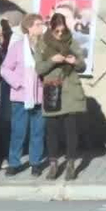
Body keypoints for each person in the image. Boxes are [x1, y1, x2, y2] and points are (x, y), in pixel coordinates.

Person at [38, 12, 88, 180]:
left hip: (70, 89)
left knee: (71, 130)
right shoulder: (42, 43)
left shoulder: (72, 41)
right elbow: (39, 68)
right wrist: (53, 60)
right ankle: (53, 165)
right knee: (51, 130)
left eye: (62, 30)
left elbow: (82, 65)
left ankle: (71, 165)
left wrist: (75, 62)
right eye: (57, 31)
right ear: (51, 29)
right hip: (52, 89)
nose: (60, 34)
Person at [0, 13, 48, 177]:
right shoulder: (17, 47)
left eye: (41, 24)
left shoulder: (45, 46)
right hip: (21, 96)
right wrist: (19, 82)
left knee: (38, 131)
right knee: (18, 131)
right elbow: (5, 69)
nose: (41, 27)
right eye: (37, 25)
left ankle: (36, 162)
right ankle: (14, 162)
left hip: (40, 95)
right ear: (28, 28)